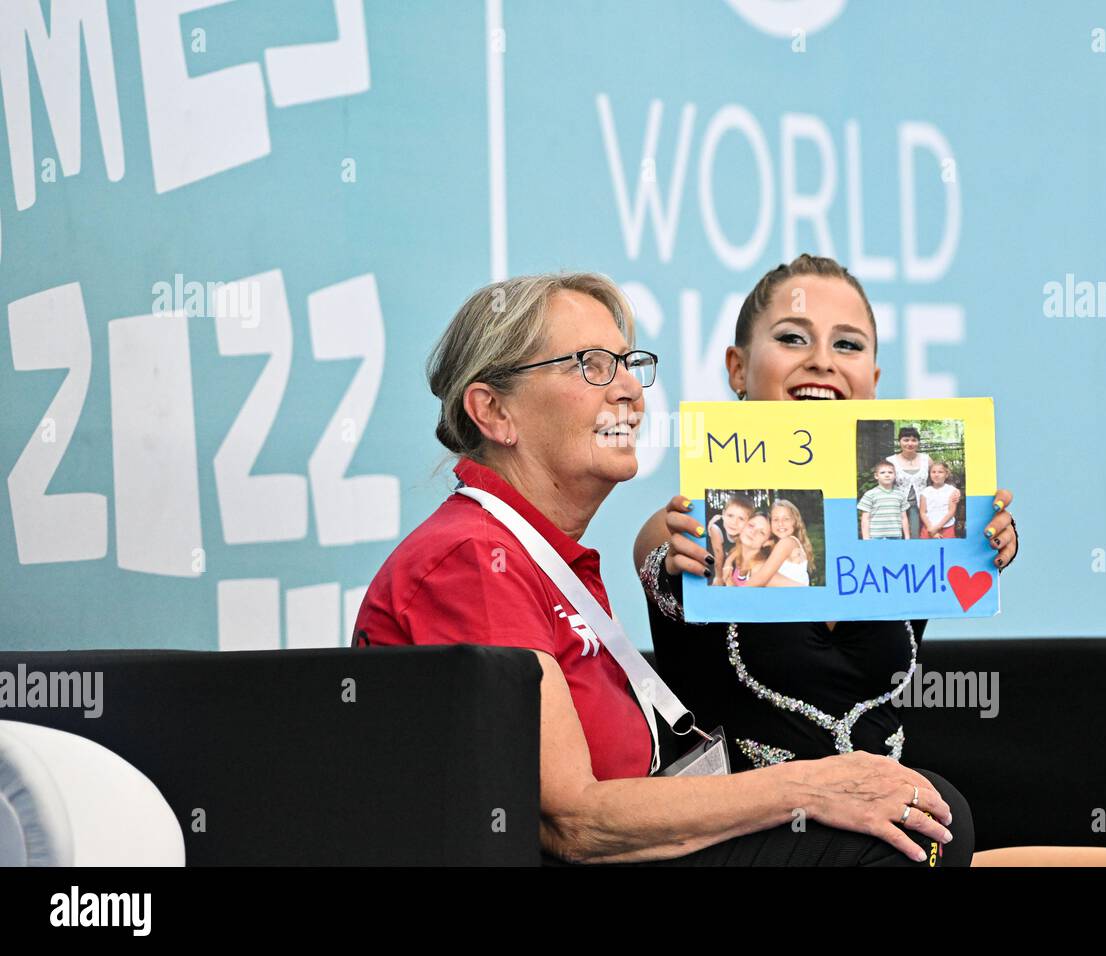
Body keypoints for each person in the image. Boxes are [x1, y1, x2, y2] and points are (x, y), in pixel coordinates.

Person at [352, 270, 970, 867]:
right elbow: (574, 823)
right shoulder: (473, 559)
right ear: (493, 413)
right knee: (910, 827)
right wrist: (814, 788)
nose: (629, 390)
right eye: (590, 365)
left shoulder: (543, 557)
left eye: (629, 364)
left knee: (928, 812)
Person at [634, 253, 1106, 866]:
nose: (822, 360)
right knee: (945, 811)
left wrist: (984, 544)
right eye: (792, 338)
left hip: (896, 838)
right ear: (736, 368)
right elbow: (664, 572)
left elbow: (952, 570)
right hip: (761, 845)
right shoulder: (693, 523)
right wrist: (677, 562)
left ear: (874, 379)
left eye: (848, 344)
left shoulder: (901, 517)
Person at [887, 427, 932, 538]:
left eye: (914, 440)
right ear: (899, 441)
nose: (910, 443)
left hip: (922, 508)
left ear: (918, 442)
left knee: (917, 536)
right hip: (896, 507)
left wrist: (954, 491)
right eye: (906, 440)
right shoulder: (890, 461)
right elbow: (884, 482)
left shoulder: (926, 459)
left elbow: (939, 477)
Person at [857, 461, 909, 540]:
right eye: (882, 472)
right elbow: (865, 519)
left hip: (895, 536)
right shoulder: (870, 494)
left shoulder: (900, 494)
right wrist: (866, 538)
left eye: (890, 472)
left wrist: (907, 537)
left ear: (895, 475)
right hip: (875, 537)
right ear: (876, 476)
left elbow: (904, 518)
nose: (887, 475)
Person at [769, 498, 814, 586]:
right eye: (775, 519)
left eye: (786, 519)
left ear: (795, 521)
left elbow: (763, 577)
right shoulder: (783, 544)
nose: (780, 523)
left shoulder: (787, 542)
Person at [706, 494, 755, 573]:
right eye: (730, 515)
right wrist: (719, 578)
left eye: (741, 518)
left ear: (748, 521)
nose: (734, 522)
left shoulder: (749, 531)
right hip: (714, 560)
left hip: (733, 561)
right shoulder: (716, 528)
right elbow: (719, 556)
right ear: (724, 514)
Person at [919, 461, 961, 539]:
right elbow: (922, 512)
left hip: (947, 528)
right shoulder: (925, 492)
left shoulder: (952, 491)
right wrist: (931, 529)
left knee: (946, 550)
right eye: (933, 472)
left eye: (940, 472)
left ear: (946, 474)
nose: (936, 474)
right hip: (928, 529)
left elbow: (951, 511)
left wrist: (937, 528)